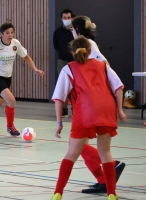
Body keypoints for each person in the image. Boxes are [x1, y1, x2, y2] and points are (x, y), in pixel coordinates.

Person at [51, 36, 126, 200]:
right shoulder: (103, 66)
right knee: (105, 152)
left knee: (72, 153)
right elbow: (119, 87)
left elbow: (59, 98)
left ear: (72, 52)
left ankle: (58, 192)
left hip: (85, 111)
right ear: (90, 51)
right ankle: (112, 194)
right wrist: (120, 110)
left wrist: (59, 122)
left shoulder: (68, 68)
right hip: (107, 110)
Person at [70, 15, 126, 194]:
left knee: (76, 146)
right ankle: (103, 181)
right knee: (80, 146)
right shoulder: (83, 46)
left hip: (93, 101)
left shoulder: (88, 45)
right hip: (86, 100)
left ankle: (111, 165)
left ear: (77, 30)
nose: (70, 30)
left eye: (71, 28)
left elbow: (104, 65)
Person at [0, 23, 44, 136]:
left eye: (12, 32)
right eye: (7, 33)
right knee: (11, 101)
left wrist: (35, 69)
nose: (10, 35)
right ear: (1, 34)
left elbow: (26, 56)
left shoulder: (16, 44)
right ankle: (10, 127)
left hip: (7, 77)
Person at [53, 8, 76, 117]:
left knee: (77, 85)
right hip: (62, 61)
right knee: (63, 85)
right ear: (61, 19)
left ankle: (76, 108)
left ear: (72, 18)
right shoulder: (58, 32)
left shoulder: (77, 30)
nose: (67, 19)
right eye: (64, 18)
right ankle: (64, 109)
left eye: (68, 17)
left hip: (76, 62)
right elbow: (56, 46)